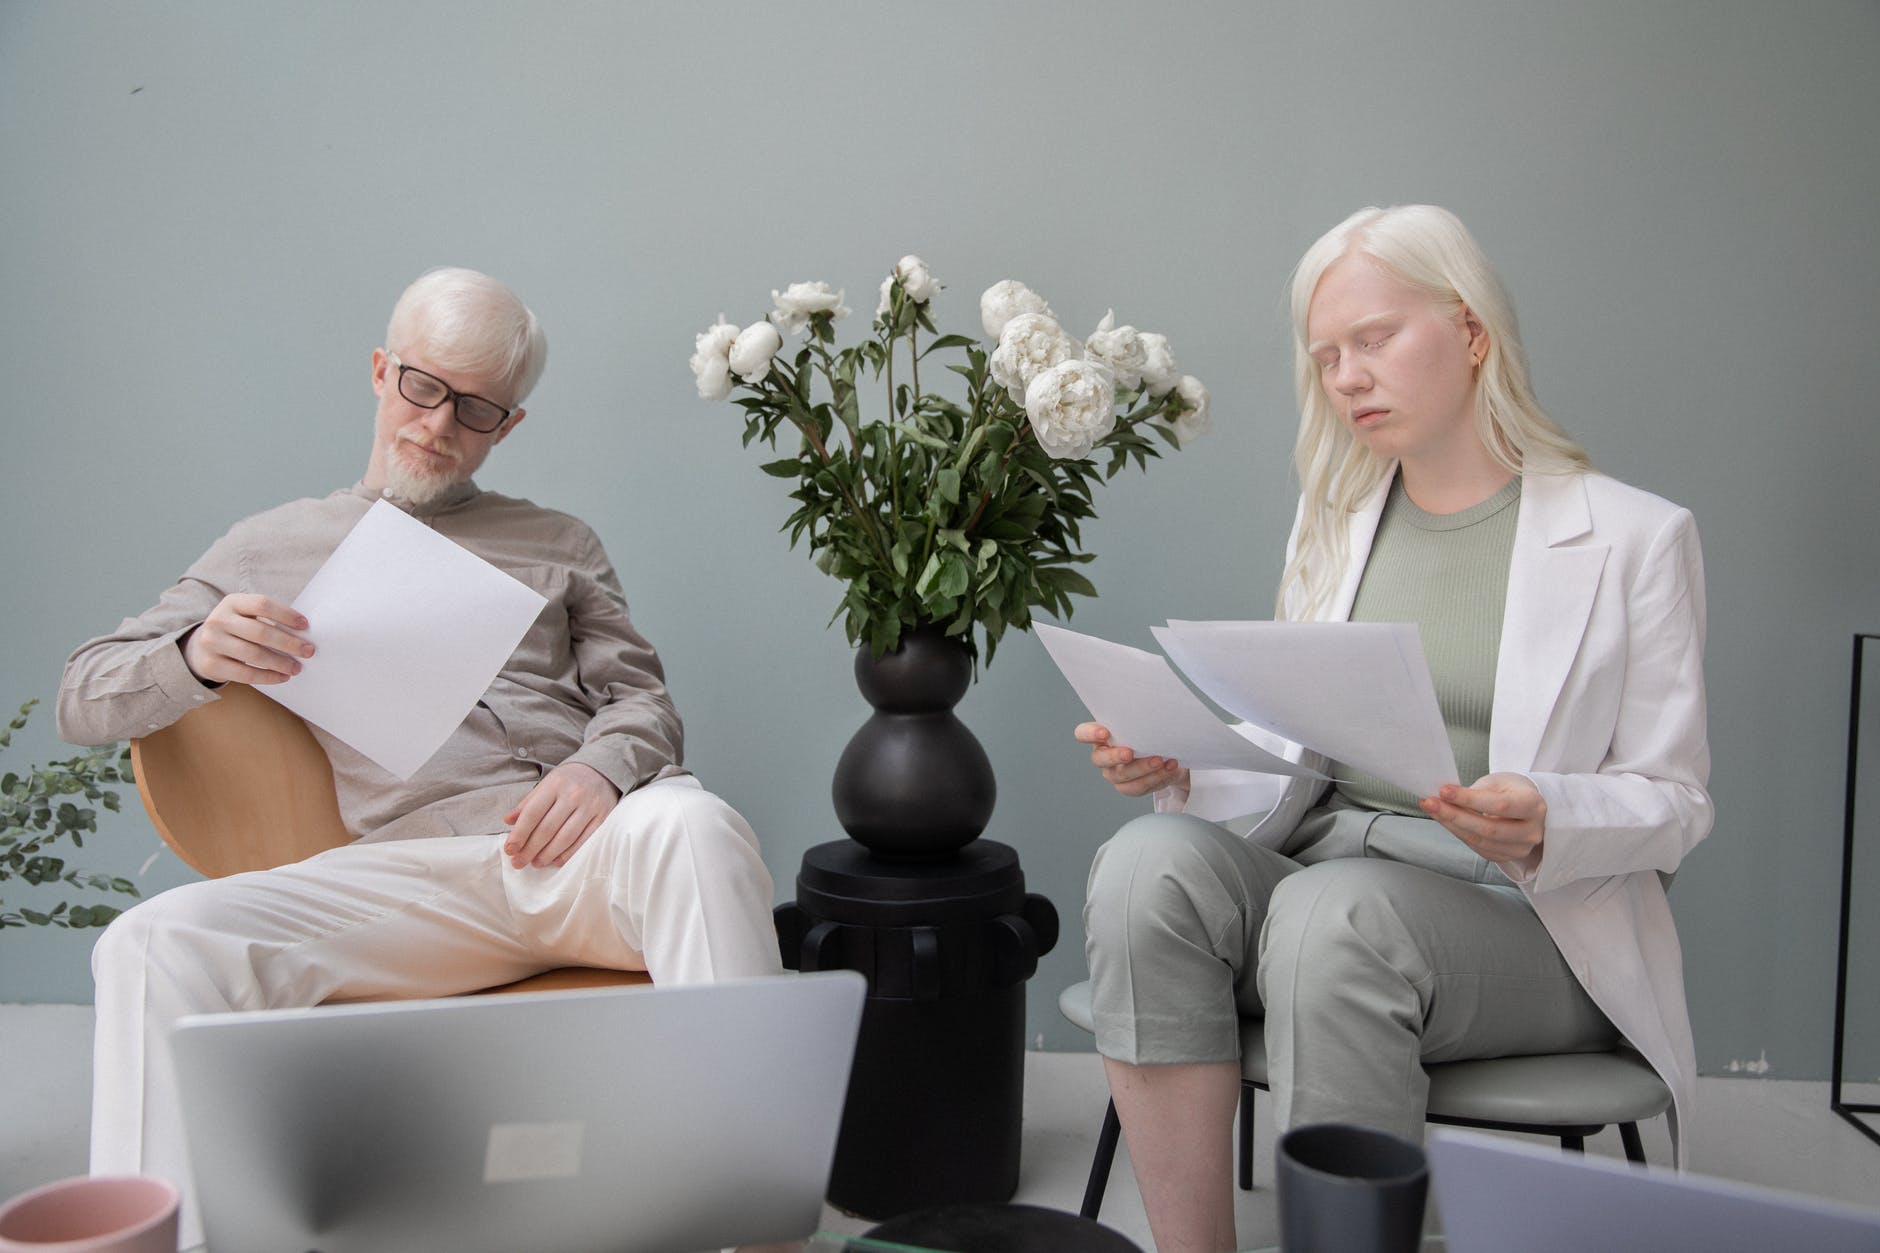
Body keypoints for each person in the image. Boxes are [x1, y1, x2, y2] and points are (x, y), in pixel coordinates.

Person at [58, 267, 785, 1250]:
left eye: (476, 406)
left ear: (507, 425)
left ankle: (753, 1229)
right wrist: (191, 656)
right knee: (147, 945)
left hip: (584, 855)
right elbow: (84, 695)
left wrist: (599, 770)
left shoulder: (559, 541)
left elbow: (641, 701)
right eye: (422, 386)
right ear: (379, 371)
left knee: (696, 824)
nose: (440, 423)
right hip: (409, 878)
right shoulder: (268, 545)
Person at [1075, 205, 1710, 1253]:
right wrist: (1180, 761)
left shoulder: (1636, 538)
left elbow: (1676, 799)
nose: (1345, 378)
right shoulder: (1330, 522)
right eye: (1325, 356)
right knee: (1144, 863)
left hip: (1526, 918)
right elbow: (1291, 750)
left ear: (1469, 331)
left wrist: (1547, 812)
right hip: (1326, 875)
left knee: (1338, 917)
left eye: (1373, 339)